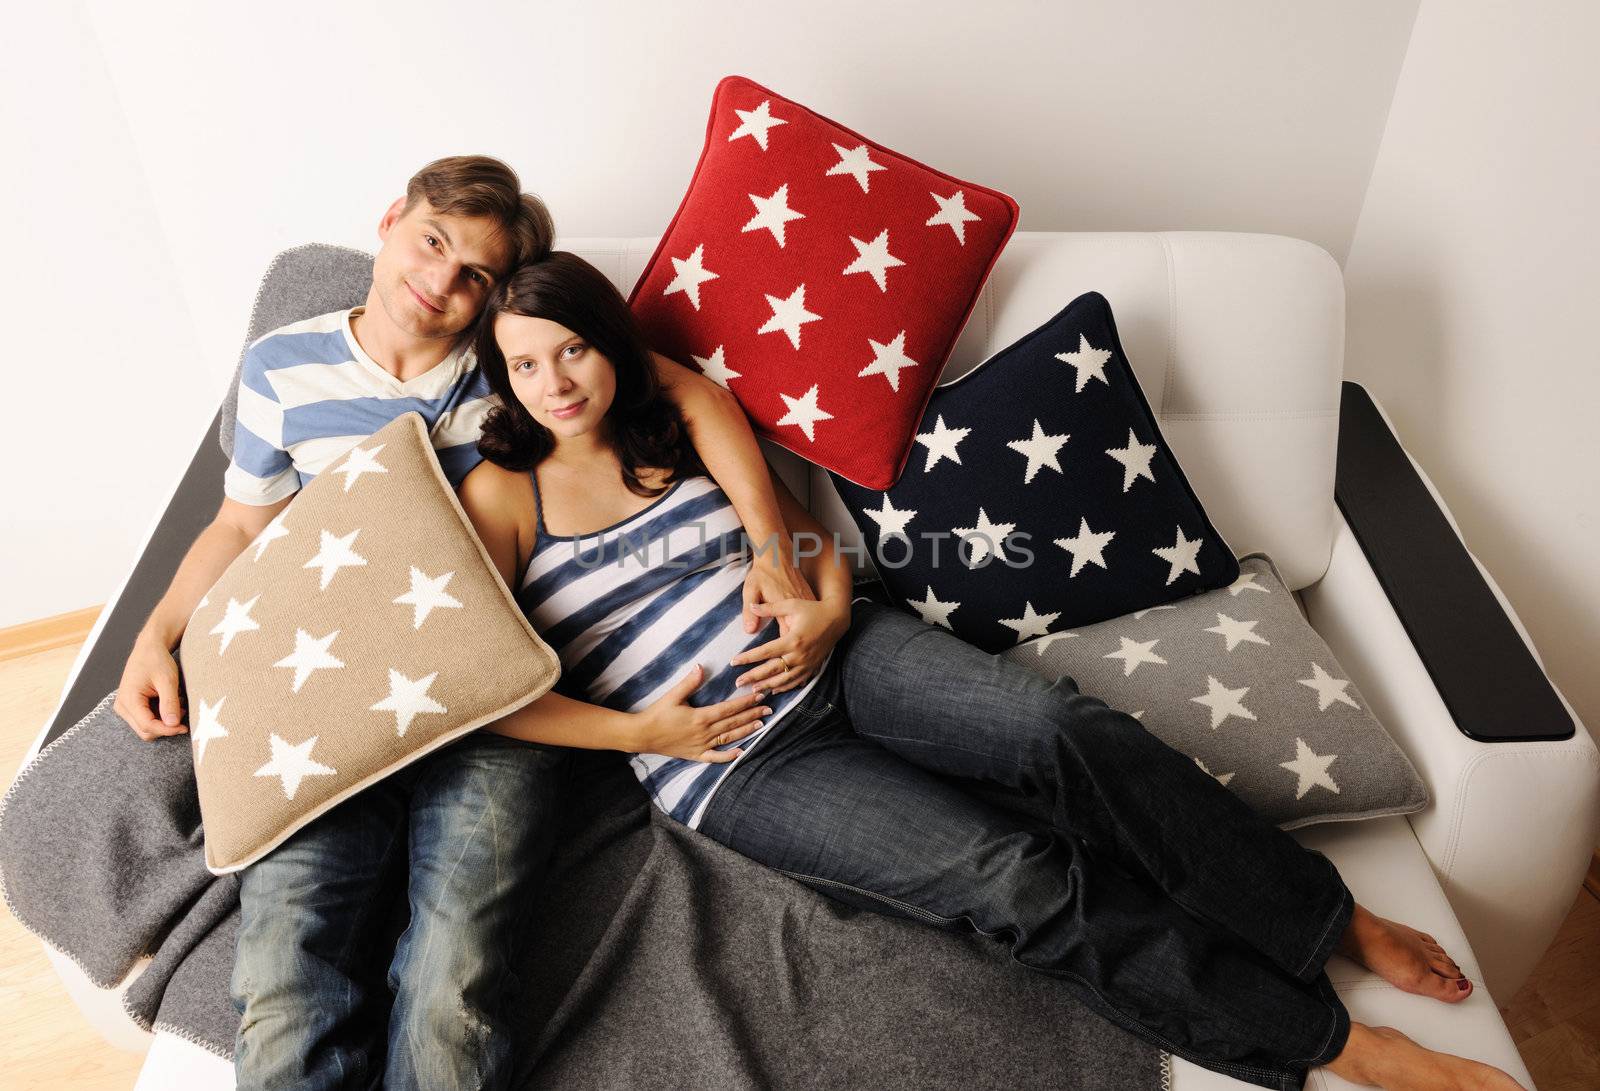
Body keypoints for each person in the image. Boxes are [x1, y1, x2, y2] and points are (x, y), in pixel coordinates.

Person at [458, 251, 1526, 1091]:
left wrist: (825, 612)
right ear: (501, 377)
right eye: (524, 364)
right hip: (734, 762)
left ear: (609, 344)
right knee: (1007, 876)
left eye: (571, 351)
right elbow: (478, 696)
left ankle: (1324, 919)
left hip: (845, 656)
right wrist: (645, 734)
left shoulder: (673, 418)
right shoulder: (504, 496)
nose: (554, 382)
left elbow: (796, 538)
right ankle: (1329, 1043)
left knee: (1061, 728)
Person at [113, 157, 814, 1090]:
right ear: (391, 219)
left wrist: (776, 547)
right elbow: (243, 520)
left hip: (494, 698)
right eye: (432, 242)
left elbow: (681, 391)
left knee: (455, 981)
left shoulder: (515, 365)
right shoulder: (283, 365)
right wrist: (156, 632)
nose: (441, 281)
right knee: (286, 973)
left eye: (475, 274)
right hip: (334, 690)